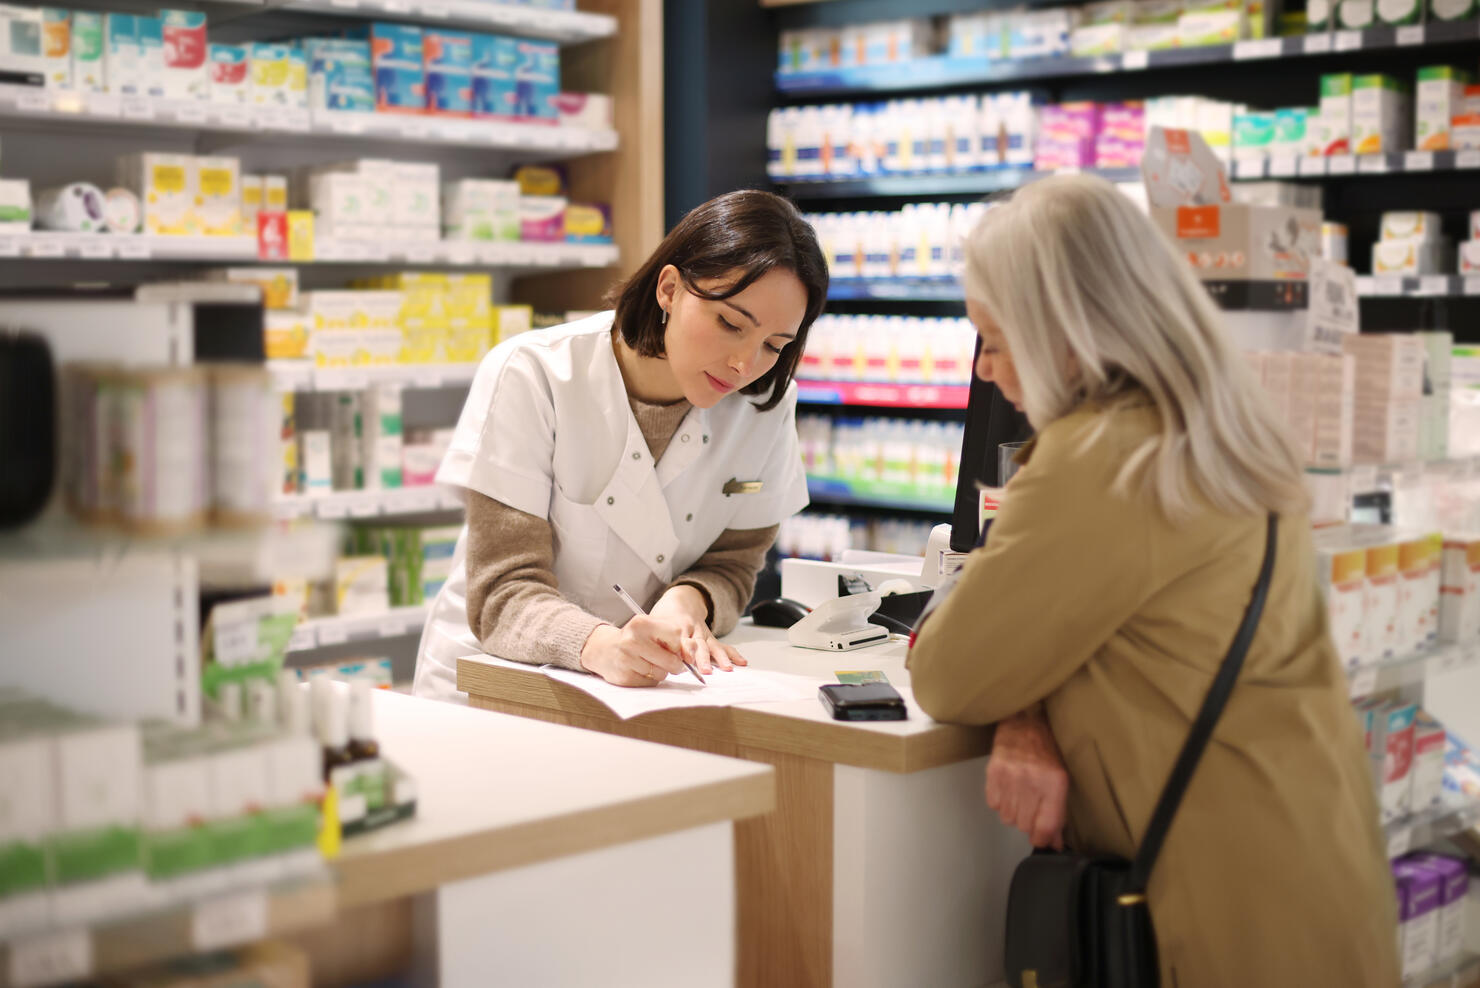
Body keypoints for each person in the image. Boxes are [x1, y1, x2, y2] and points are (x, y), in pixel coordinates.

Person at [906, 175, 1399, 986]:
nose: (987, 370)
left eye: (996, 339)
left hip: (1215, 904)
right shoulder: (1213, 424)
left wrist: (1013, 696)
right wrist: (1030, 711)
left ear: (1065, 333)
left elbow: (949, 672)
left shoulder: (1103, 457)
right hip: (1312, 866)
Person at [413, 190, 826, 700]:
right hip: (496, 683)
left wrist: (688, 601)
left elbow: (734, 565)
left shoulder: (767, 403)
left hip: (647, 690)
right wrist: (599, 645)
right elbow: (503, 590)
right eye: (730, 324)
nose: (746, 364)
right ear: (670, 289)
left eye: (774, 345)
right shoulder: (535, 371)